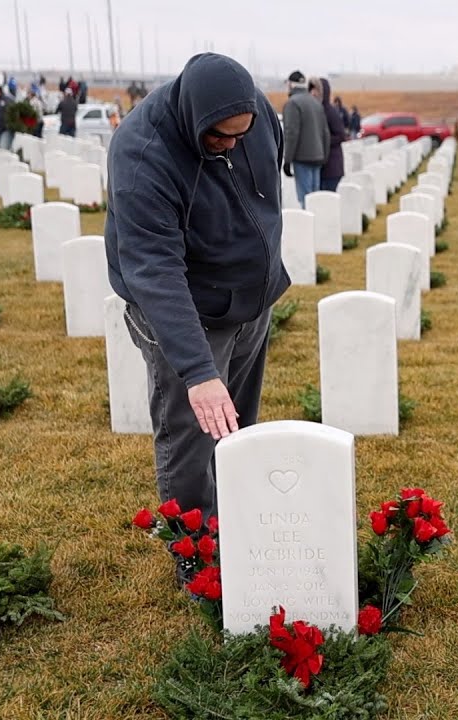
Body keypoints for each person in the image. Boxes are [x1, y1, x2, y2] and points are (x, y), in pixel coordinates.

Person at [103, 53, 291, 530]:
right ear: (193, 117)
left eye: (240, 135)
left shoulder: (256, 115)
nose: (231, 144)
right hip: (186, 312)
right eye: (219, 136)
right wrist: (198, 371)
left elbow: (265, 187)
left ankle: (239, 526)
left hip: (250, 302)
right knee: (192, 430)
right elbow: (154, 269)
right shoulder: (143, 153)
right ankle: (197, 551)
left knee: (237, 425)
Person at [281, 70, 329, 208]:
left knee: (306, 200)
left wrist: (287, 160)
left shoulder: (292, 104)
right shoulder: (316, 103)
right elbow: (325, 132)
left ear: (291, 84)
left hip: (302, 158)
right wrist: (324, 156)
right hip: (318, 156)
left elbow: (291, 133)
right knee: (316, 199)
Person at [312, 78, 344, 192]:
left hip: (332, 166)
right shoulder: (319, 109)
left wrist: (322, 141)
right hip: (325, 166)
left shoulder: (330, 111)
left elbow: (341, 135)